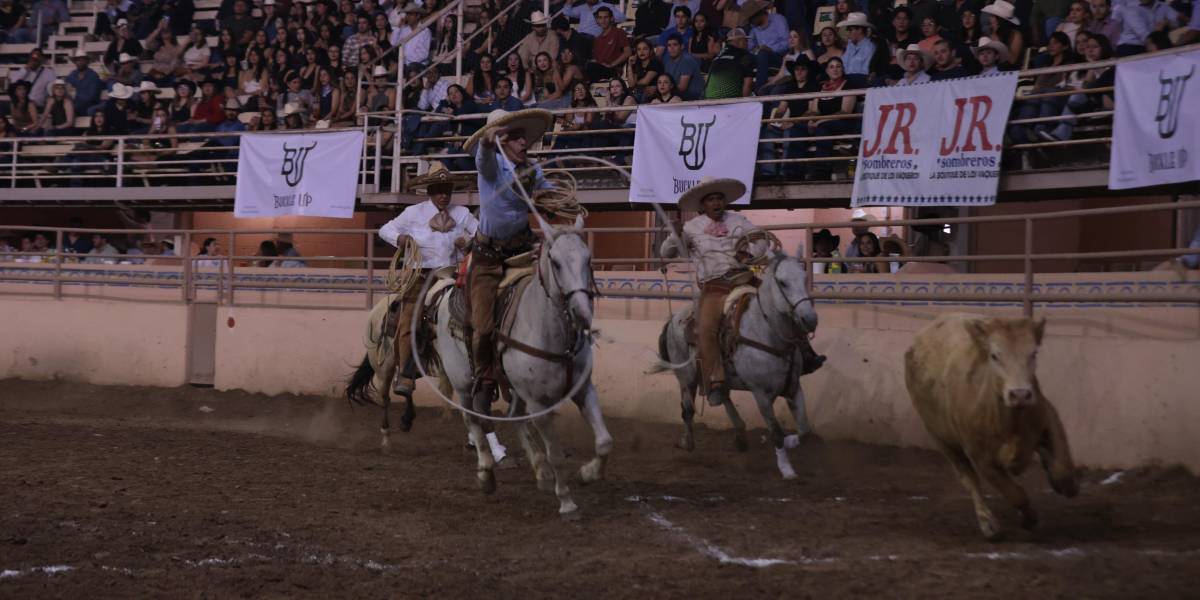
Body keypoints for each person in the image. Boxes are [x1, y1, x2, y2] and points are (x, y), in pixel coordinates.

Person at [660, 178, 824, 407]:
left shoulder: (738, 220)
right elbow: (666, 252)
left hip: (745, 279)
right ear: (703, 205)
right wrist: (673, 234)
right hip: (714, 287)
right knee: (706, 328)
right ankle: (716, 380)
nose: (717, 203)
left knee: (782, 305)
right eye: (711, 200)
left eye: (719, 198)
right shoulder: (690, 228)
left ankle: (806, 355)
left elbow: (760, 240)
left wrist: (749, 253)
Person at [461, 108, 555, 412]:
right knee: (484, 326)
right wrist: (487, 144)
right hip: (487, 258)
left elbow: (549, 196)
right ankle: (484, 378)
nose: (522, 142)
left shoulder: (533, 170)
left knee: (553, 299)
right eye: (514, 137)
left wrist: (559, 203)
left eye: (522, 136)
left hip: (523, 251)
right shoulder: (491, 166)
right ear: (503, 143)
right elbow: (482, 160)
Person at [378, 162, 478, 397]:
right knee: (409, 319)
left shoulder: (462, 213)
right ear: (430, 191)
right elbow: (384, 230)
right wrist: (400, 238)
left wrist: (468, 240)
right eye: (439, 190)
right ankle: (405, 373)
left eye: (447, 190)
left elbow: (480, 230)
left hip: (453, 275)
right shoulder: (413, 213)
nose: (444, 195)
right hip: (421, 275)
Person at [1040, 33, 1114, 141]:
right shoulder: (1093, 65)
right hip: (1092, 100)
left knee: (1076, 97)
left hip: (1107, 99)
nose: (1090, 50)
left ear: (1104, 47)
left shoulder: (1112, 62)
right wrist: (1092, 65)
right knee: (1071, 96)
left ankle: (1060, 133)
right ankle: (1057, 132)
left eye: (1094, 47)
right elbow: (1086, 85)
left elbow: (1099, 83)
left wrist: (1093, 64)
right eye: (1088, 47)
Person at [744, 0, 790, 92]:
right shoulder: (754, 28)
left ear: (758, 14)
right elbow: (750, 47)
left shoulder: (778, 20)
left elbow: (787, 43)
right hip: (761, 57)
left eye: (751, 19)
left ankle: (759, 89)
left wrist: (770, 49)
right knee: (744, 57)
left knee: (763, 54)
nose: (750, 22)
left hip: (779, 56)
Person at [1111, 0, 1179, 56]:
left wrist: (1166, 22)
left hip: (1148, 45)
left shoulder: (1160, 6)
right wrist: (1157, 33)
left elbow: (1177, 21)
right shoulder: (1131, 8)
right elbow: (1143, 34)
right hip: (1130, 47)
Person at [703, 27, 754, 99]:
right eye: (745, 40)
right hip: (731, 101)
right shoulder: (744, 56)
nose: (747, 43)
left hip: (709, 100)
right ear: (739, 41)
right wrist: (744, 103)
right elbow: (748, 83)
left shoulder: (717, 58)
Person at [586, 6, 632, 81]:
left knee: (591, 67)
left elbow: (628, 52)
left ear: (611, 18)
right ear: (597, 20)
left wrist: (612, 64)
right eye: (600, 18)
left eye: (606, 17)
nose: (603, 20)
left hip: (613, 69)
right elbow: (597, 60)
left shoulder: (618, 32)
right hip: (600, 69)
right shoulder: (597, 39)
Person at [662, 33, 704, 100]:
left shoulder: (687, 60)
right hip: (678, 95)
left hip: (694, 98)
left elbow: (682, 88)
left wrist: (661, 89)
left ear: (682, 46)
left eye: (675, 45)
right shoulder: (667, 61)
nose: (672, 48)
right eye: (669, 45)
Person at [982, 1, 1024, 66]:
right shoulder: (990, 34)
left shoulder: (1016, 34)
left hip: (1009, 72)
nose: (989, 18)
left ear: (1000, 20)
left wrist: (999, 42)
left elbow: (1012, 60)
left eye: (993, 16)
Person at [838, 12, 876, 78]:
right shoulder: (850, 45)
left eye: (850, 30)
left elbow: (865, 73)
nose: (848, 34)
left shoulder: (870, 47)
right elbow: (843, 64)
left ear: (859, 30)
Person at [66, 50, 104, 116]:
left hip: (88, 107)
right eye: (77, 60)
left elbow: (92, 97)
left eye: (82, 60)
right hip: (73, 107)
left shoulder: (93, 76)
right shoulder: (72, 75)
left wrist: (75, 94)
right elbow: (66, 88)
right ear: (75, 62)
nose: (80, 63)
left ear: (87, 61)